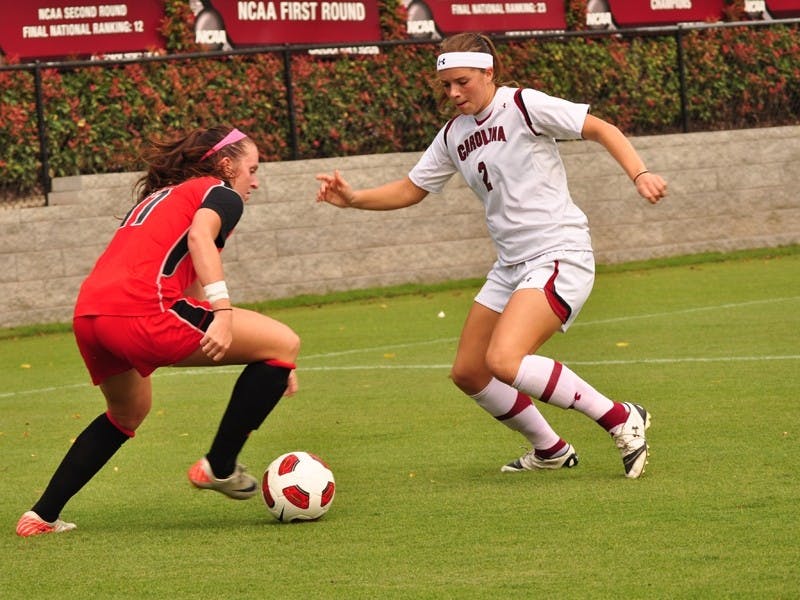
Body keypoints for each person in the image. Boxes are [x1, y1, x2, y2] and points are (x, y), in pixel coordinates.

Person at [316, 32, 667, 479]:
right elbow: (411, 189)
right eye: (445, 85)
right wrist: (354, 199)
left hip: (559, 251)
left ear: (488, 72)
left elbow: (602, 128)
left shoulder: (523, 105)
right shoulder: (452, 134)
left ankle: (620, 417)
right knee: (469, 372)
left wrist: (640, 173)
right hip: (511, 266)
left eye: (462, 82)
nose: (453, 93)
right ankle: (551, 448)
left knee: (505, 360)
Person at [16, 126, 300, 537]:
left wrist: (268, 360)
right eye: (252, 168)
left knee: (127, 413)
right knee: (286, 340)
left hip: (91, 315)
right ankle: (219, 467)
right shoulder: (221, 193)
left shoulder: (162, 196)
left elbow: (189, 282)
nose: (255, 180)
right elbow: (201, 238)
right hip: (142, 309)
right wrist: (229, 317)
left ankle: (42, 515)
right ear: (226, 165)